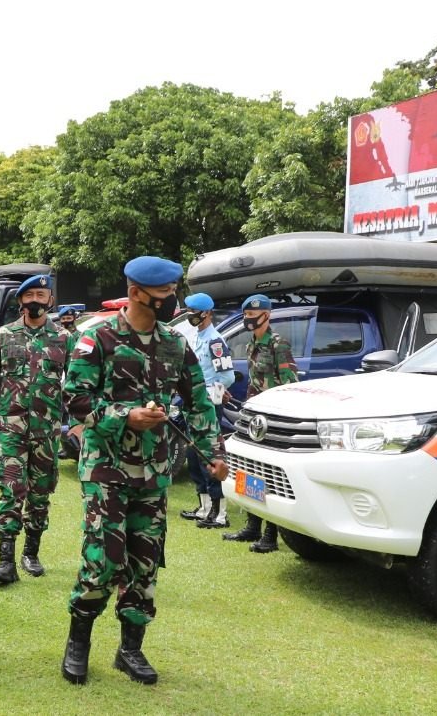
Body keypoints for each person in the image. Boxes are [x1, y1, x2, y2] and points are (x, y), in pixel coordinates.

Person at [60, 256, 226, 686]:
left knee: (145, 562)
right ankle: (79, 640)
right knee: (103, 558)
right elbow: (74, 400)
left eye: (174, 292)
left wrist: (213, 451)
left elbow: (200, 403)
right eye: (166, 294)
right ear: (136, 294)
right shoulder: (98, 339)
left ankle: (130, 649)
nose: (174, 301)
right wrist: (124, 416)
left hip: (153, 472)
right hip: (106, 469)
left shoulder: (175, 344)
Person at [0, 275, 73, 585]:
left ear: (50, 301)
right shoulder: (3, 336)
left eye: (41, 294)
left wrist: (80, 421)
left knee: (40, 493)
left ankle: (31, 552)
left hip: (46, 430)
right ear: (20, 301)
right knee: (11, 489)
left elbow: (77, 385)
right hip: (10, 427)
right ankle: (5, 561)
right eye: (29, 295)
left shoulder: (64, 338)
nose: (35, 300)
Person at [222, 294, 297, 553]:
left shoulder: (278, 344)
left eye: (253, 317)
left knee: (270, 475)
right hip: (254, 417)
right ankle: (252, 525)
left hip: (274, 419)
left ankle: (270, 535)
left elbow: (289, 383)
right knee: (248, 470)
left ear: (267, 315)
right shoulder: (251, 343)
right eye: (246, 318)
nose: (249, 322)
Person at [177, 292, 236, 529]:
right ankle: (204, 507)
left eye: (195, 314)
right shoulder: (195, 335)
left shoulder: (214, 341)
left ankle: (220, 513)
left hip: (208, 406)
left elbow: (227, 376)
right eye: (189, 313)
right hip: (192, 404)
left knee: (209, 457)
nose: (190, 317)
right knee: (193, 456)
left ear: (207, 313)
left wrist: (208, 393)